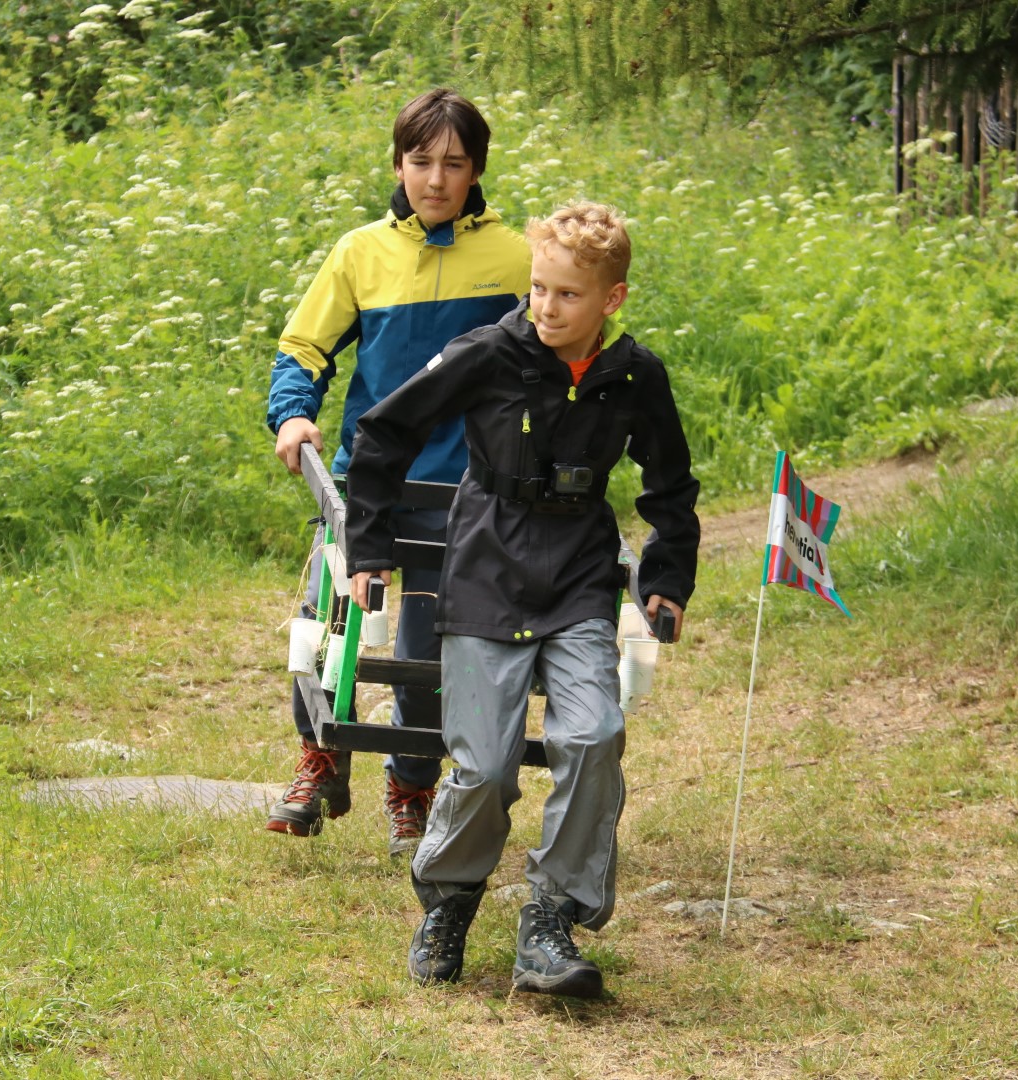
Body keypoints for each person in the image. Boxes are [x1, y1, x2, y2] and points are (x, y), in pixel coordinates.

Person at [344, 202, 700, 998]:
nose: (546, 306)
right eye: (538, 288)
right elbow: (383, 434)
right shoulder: (487, 353)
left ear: (612, 299)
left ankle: (551, 919)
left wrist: (666, 579)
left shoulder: (635, 376)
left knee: (594, 735)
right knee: (484, 767)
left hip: (577, 579)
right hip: (486, 574)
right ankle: (449, 901)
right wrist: (369, 548)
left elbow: (670, 485)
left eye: (567, 294)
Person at [264, 89, 531, 855]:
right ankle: (322, 759)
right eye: (421, 161)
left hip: (465, 489)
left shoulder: (517, 258)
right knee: (326, 627)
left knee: (426, 652)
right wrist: (293, 414)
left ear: (476, 170)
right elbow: (304, 348)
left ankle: (411, 788)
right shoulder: (360, 253)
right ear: (397, 164)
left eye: (453, 163)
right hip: (369, 480)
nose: (435, 179)